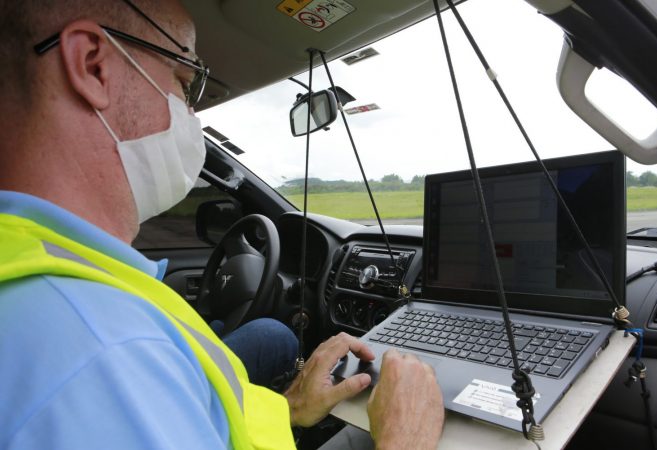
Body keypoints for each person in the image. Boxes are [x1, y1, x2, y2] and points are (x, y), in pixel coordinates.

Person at [0, 0, 445, 449]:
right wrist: (404, 441)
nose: (193, 118)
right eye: (185, 84)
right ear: (93, 66)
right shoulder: (104, 354)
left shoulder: (47, 267)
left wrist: (289, 408)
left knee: (271, 335)